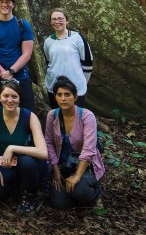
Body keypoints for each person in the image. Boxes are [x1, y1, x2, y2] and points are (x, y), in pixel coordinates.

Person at [0, 81, 48, 214]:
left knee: (26, 162)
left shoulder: (29, 117)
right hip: (7, 163)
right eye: (5, 96)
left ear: (20, 98)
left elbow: (43, 152)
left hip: (31, 164)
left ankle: (31, 195)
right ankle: (16, 184)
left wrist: (12, 148)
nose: (10, 100)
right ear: (0, 98)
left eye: (14, 96)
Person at [44, 76, 104, 209]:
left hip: (85, 167)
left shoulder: (86, 116)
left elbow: (89, 149)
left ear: (75, 97)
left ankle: (94, 193)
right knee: (59, 203)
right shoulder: (52, 115)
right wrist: (55, 169)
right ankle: (75, 195)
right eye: (59, 95)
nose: (63, 98)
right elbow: (48, 142)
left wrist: (77, 176)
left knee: (80, 190)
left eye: (67, 94)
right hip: (63, 166)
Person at [43, 8, 93, 109]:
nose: (57, 22)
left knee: (75, 117)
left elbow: (88, 62)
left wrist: (82, 81)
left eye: (60, 19)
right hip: (54, 85)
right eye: (54, 19)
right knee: (58, 116)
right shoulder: (48, 41)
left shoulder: (77, 37)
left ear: (67, 20)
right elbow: (49, 62)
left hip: (76, 85)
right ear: (50, 22)